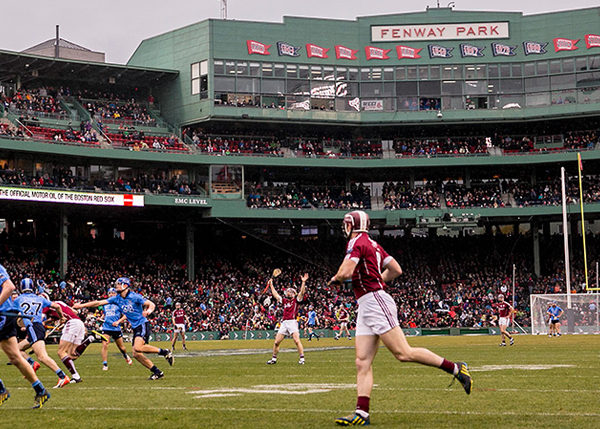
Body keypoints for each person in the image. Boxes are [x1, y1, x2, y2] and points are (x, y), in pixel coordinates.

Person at [329, 211, 472, 426]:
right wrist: (378, 281)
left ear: (351, 225)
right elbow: (396, 269)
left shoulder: (356, 242)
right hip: (368, 303)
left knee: (403, 353)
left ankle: (456, 368)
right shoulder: (374, 244)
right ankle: (362, 413)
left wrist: (337, 278)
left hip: (374, 301)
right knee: (362, 361)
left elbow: (346, 271)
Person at [74, 277, 173, 380]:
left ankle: (165, 352)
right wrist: (81, 306)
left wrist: (148, 312)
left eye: (118, 284)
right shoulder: (117, 298)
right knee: (136, 354)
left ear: (125, 286)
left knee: (138, 348)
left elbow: (151, 304)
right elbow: (98, 303)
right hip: (135, 327)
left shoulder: (135, 297)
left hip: (142, 324)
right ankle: (157, 372)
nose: (116, 286)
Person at [0, 265, 50, 408]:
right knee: (15, 357)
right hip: (5, 317)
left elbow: (9, 287)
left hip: (3, 316)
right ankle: (40, 391)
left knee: (16, 356)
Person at [13, 279, 71, 388]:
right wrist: (61, 317)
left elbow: (14, 313)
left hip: (33, 327)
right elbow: (57, 306)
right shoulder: (40, 298)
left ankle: (63, 376)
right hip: (37, 327)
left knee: (42, 356)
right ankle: (32, 363)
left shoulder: (18, 299)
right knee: (16, 349)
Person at [266, 273, 308, 365]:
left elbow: (302, 292)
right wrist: (271, 285)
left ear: (293, 294)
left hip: (292, 322)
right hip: (284, 323)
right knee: (276, 342)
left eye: (289, 291)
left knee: (297, 341)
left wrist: (303, 282)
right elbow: (276, 295)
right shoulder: (284, 301)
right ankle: (273, 359)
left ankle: (302, 358)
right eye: (287, 291)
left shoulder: (296, 300)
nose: (287, 292)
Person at [44, 297, 87, 383]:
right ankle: (90, 339)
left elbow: (41, 318)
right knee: (71, 355)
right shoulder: (59, 302)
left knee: (61, 352)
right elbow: (75, 312)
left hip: (72, 323)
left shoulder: (47, 306)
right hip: (79, 323)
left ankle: (76, 377)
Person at [99, 287, 132, 370]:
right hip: (106, 327)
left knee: (122, 348)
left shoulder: (119, 304)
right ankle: (105, 364)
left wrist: (118, 322)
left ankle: (125, 355)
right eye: (109, 293)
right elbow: (105, 314)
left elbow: (125, 315)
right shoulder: (105, 304)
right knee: (105, 344)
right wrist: (101, 318)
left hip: (116, 328)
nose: (111, 294)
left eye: (113, 293)